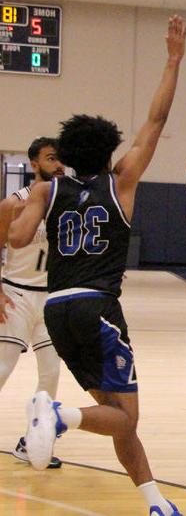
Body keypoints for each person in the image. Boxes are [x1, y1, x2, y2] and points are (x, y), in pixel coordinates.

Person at [8, 16, 186, 516]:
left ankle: (156, 503)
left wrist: (22, 209)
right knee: (124, 418)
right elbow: (155, 122)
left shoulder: (47, 188)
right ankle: (58, 414)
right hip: (98, 308)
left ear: (63, 155)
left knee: (115, 414)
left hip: (57, 311)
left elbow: (18, 237)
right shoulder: (121, 181)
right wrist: (173, 59)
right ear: (109, 151)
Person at [0, 138, 64, 469]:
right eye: (51, 159)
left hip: (51, 299)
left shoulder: (66, 204)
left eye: (61, 159)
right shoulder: (13, 204)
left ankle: (32, 442)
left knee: (51, 373)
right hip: (16, 293)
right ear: (34, 164)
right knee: (2, 370)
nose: (59, 164)